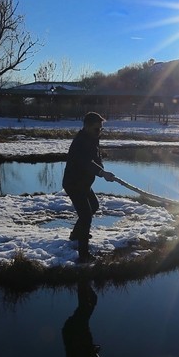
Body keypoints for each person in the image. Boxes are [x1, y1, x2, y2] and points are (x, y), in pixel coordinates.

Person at [63, 111, 115, 262]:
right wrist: (101, 173)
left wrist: (102, 170)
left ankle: (76, 234)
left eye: (101, 129)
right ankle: (83, 255)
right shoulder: (80, 142)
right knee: (86, 216)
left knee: (94, 206)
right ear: (86, 126)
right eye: (96, 129)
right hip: (74, 184)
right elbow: (86, 163)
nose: (99, 132)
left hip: (84, 184)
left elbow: (96, 159)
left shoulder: (92, 139)